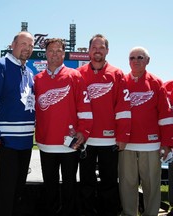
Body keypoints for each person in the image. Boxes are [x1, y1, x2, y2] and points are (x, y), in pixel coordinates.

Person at [0, 31, 35, 216]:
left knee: (18, 188)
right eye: (23, 44)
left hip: (26, 141)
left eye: (30, 45)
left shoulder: (29, 72)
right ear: (13, 44)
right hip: (6, 140)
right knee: (6, 190)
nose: (27, 48)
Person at [34, 38, 93, 216]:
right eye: (51, 51)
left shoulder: (74, 76)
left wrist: (83, 131)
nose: (55, 54)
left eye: (59, 51)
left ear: (64, 53)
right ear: (46, 53)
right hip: (46, 142)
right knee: (49, 184)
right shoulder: (37, 79)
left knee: (69, 184)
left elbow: (84, 107)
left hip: (69, 143)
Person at [77, 34, 131, 216]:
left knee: (109, 182)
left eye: (101, 47)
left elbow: (123, 108)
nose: (97, 50)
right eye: (94, 47)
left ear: (107, 50)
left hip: (109, 140)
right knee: (86, 182)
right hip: (86, 139)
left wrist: (122, 136)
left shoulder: (117, 74)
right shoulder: (79, 74)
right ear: (89, 50)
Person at [118, 46, 173, 216]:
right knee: (127, 185)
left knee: (152, 186)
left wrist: (167, 143)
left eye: (140, 57)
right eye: (132, 58)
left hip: (151, 145)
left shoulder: (156, 83)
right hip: (126, 145)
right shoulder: (121, 82)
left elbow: (166, 116)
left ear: (147, 61)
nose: (135, 61)